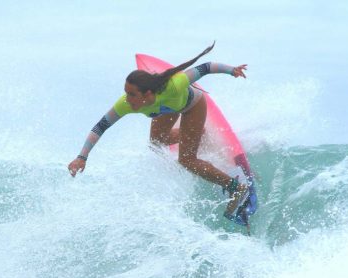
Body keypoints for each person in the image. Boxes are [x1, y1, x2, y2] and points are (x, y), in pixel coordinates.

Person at [67, 42, 249, 219]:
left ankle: (235, 187)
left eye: (132, 94)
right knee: (156, 142)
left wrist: (232, 70)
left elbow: (206, 67)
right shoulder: (126, 104)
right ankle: (198, 134)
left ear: (147, 94)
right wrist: (82, 157)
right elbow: (101, 126)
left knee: (186, 160)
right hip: (165, 110)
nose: (127, 99)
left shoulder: (174, 86)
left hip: (192, 105)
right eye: (126, 92)